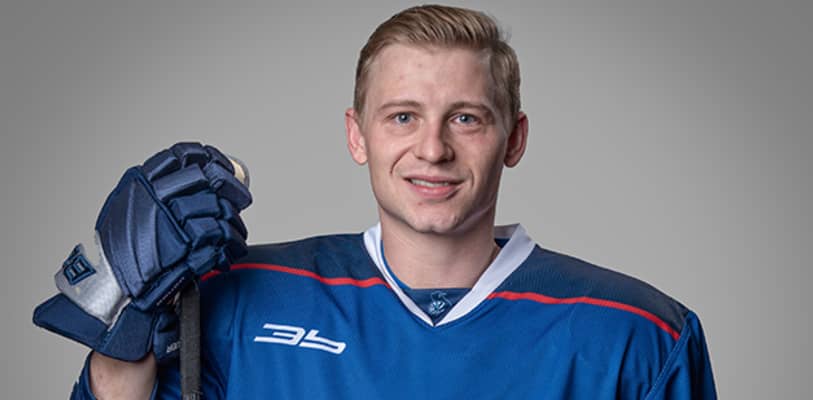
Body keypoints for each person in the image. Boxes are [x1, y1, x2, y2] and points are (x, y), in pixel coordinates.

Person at [33, 5, 716, 399]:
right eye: (402, 117)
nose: (432, 149)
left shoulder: (637, 333)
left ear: (513, 139)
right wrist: (121, 331)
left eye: (466, 118)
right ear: (357, 135)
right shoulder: (239, 301)